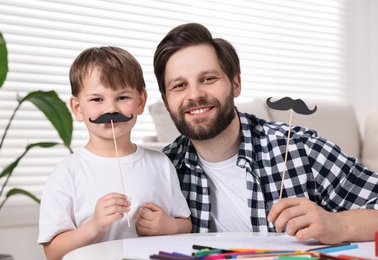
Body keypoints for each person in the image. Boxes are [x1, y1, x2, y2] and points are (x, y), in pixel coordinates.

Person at [153, 23, 378, 244]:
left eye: (208, 79)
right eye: (179, 86)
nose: (195, 95)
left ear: (236, 83)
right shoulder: (162, 169)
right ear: (166, 100)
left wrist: (339, 225)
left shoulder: (301, 149)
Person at [38, 46, 191, 260]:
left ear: (140, 101)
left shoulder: (161, 164)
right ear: (77, 108)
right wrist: (94, 226)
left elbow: (185, 224)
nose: (110, 109)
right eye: (97, 99)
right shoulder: (67, 173)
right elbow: (53, 252)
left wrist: (168, 225)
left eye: (122, 97)